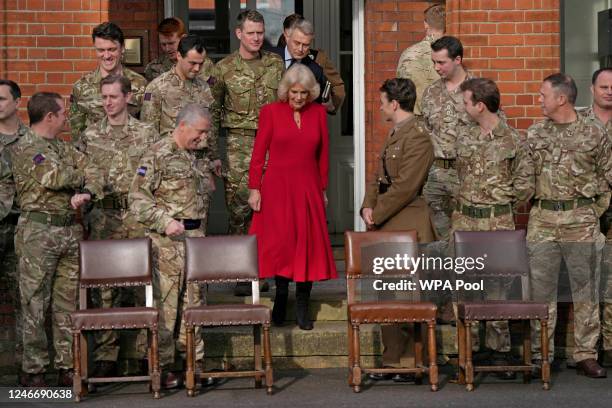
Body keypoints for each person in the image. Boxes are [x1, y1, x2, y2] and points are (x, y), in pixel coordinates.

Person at [11, 92, 101, 387]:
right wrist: (80, 179)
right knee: (35, 302)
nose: (66, 118)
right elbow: (54, 177)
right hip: (38, 233)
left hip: (68, 231)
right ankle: (34, 368)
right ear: (49, 116)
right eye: (63, 113)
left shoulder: (63, 147)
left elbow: (94, 171)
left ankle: (67, 365)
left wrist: (86, 189)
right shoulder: (26, 147)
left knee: (67, 303)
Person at [526, 73, 612, 378]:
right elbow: (525, 180)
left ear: (561, 98)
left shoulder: (594, 134)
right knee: (541, 292)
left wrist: (591, 213)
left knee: (586, 290)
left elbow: (608, 179)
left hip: (581, 223)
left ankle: (586, 355)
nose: (539, 99)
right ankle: (541, 355)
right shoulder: (534, 134)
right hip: (543, 222)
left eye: (542, 94)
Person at [75, 75, 159, 378]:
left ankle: (142, 353)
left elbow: (154, 173)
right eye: (104, 97)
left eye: (113, 96)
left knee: (143, 285)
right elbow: (82, 175)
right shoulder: (90, 135)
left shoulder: (147, 133)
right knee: (104, 287)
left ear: (128, 97)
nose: (108, 102)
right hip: (104, 218)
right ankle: (106, 354)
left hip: (137, 215)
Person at [454, 78, 533, 379]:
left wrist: (500, 208)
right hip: (465, 221)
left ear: (480, 105)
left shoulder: (514, 140)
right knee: (468, 286)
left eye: (466, 101)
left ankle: (499, 352)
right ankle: (470, 350)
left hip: (498, 221)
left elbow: (525, 185)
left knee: (499, 287)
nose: (463, 106)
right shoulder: (464, 138)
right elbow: (455, 179)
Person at [247, 64, 337, 330]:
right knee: (281, 243)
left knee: (306, 242)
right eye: (294, 92)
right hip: (276, 187)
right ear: (286, 91)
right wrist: (255, 188)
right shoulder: (270, 112)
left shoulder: (319, 113)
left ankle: (302, 305)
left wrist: (323, 190)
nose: (299, 97)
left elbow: (324, 156)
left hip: (308, 186)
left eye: (304, 93)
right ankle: (281, 298)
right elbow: (257, 153)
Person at [129, 104, 211, 389]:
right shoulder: (157, 154)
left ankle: (193, 364)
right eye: (199, 132)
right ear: (182, 126)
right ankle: (161, 369)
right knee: (166, 309)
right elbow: (137, 198)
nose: (203, 138)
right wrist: (163, 221)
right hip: (166, 243)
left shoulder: (196, 155)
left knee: (195, 303)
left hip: (195, 239)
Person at [360, 78, 434, 380]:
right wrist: (368, 206)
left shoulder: (417, 136)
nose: (379, 106)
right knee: (387, 294)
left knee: (405, 296)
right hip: (390, 221)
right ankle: (392, 359)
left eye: (382, 101)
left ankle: (410, 362)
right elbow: (378, 176)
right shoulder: (396, 132)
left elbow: (406, 187)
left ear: (394, 103)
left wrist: (376, 213)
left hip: (408, 220)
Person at [210, 9, 284, 296]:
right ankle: (243, 273)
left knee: (274, 209)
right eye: (250, 33)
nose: (256, 38)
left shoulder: (276, 64)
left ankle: (272, 268)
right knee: (240, 210)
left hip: (274, 145)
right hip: (238, 145)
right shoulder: (223, 69)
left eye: (260, 32)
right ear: (239, 34)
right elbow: (213, 112)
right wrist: (214, 154)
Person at [141, 34, 216, 232]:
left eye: (201, 64)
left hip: (199, 166)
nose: (197, 69)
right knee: (173, 230)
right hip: (170, 169)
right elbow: (148, 133)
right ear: (178, 57)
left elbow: (210, 128)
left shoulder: (204, 88)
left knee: (198, 228)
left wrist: (212, 161)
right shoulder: (158, 88)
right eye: (192, 63)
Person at [421, 35, 473, 246]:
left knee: (467, 238)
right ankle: (447, 278)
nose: (436, 67)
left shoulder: (478, 89)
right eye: (434, 62)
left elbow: (494, 128)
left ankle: (467, 278)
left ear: (458, 60)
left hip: (467, 174)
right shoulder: (431, 92)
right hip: (437, 176)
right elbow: (425, 132)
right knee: (442, 240)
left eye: (441, 62)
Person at [580, 68, 612, 367]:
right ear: (592, 89)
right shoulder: (578, 122)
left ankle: (610, 345)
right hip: (586, 210)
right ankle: (588, 348)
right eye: (604, 86)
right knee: (588, 280)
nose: (609, 91)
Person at [70, 22, 146, 142]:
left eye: (111, 49)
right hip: (96, 155)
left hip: (131, 154)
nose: (106, 56)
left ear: (122, 48)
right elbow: (76, 133)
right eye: (101, 50)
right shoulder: (81, 87)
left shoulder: (140, 84)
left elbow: (146, 126)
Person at [0, 79, 27, 370]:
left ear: (17, 102)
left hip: (21, 228)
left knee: (25, 298)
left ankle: (27, 369)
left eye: (2, 99)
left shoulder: (30, 140)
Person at [276, 14, 345, 114]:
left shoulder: (317, 58)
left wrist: (330, 105)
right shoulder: (272, 56)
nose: (300, 48)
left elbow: (337, 85)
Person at [270, 19, 331, 110]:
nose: (300, 49)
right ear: (286, 37)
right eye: (297, 43)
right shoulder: (268, 56)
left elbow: (314, 108)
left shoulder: (316, 71)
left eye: (306, 45)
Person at [396, 3, 445, 115]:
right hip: (446, 126)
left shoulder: (408, 54)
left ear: (425, 24)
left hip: (415, 126)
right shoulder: (453, 54)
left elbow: (399, 95)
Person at [144, 17, 215, 84]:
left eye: (171, 43)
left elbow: (213, 93)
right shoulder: (153, 68)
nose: (167, 49)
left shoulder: (205, 64)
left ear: (183, 38)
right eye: (163, 44)